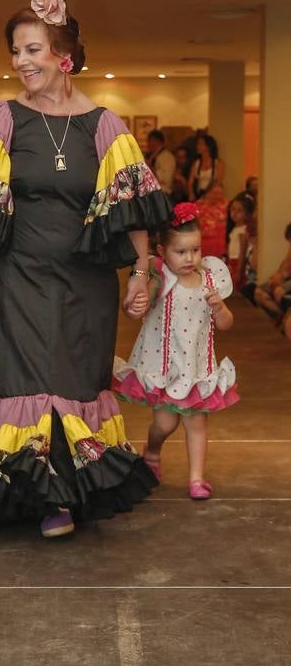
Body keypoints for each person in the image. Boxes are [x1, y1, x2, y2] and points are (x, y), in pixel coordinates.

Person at [0, 0, 172, 538]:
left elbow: (129, 206)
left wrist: (141, 272)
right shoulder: (4, 119)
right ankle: (43, 499)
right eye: (15, 51)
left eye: (33, 49)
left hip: (85, 282)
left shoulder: (106, 126)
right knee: (25, 382)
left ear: (64, 55)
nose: (21, 61)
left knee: (73, 381)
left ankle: (61, 490)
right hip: (18, 276)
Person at [113, 202, 238, 500]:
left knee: (196, 423)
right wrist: (134, 304)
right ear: (162, 251)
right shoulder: (160, 277)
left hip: (198, 369)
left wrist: (219, 307)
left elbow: (226, 324)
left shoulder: (211, 279)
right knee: (165, 423)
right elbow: (137, 307)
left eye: (195, 250)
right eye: (180, 252)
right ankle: (152, 451)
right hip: (166, 368)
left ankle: (196, 479)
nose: (189, 258)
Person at [187, 133, 224, 201]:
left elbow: (218, 182)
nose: (197, 146)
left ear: (208, 146)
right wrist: (191, 193)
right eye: (198, 144)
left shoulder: (218, 163)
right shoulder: (196, 163)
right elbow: (190, 183)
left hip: (213, 195)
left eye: (200, 144)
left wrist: (209, 195)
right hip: (199, 194)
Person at [145, 130, 175, 196]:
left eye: (150, 141)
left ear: (157, 141)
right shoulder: (151, 156)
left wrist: (150, 169)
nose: (148, 144)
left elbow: (167, 178)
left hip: (163, 193)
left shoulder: (167, 157)